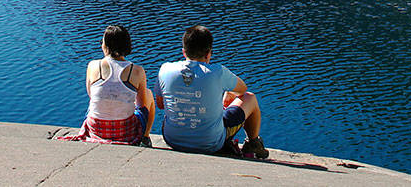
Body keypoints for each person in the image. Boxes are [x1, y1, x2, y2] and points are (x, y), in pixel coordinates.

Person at [154, 25, 267, 159]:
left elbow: (161, 105)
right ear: (209, 53)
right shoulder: (217, 72)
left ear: (184, 52)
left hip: (173, 140)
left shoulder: (165, 69)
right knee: (250, 98)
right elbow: (243, 89)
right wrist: (228, 93)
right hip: (210, 143)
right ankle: (253, 144)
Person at [62, 25, 155, 146]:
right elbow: (142, 106)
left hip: (96, 128)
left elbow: (91, 95)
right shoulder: (137, 70)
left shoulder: (93, 65)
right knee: (148, 94)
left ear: (105, 45)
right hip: (125, 132)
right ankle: (145, 138)